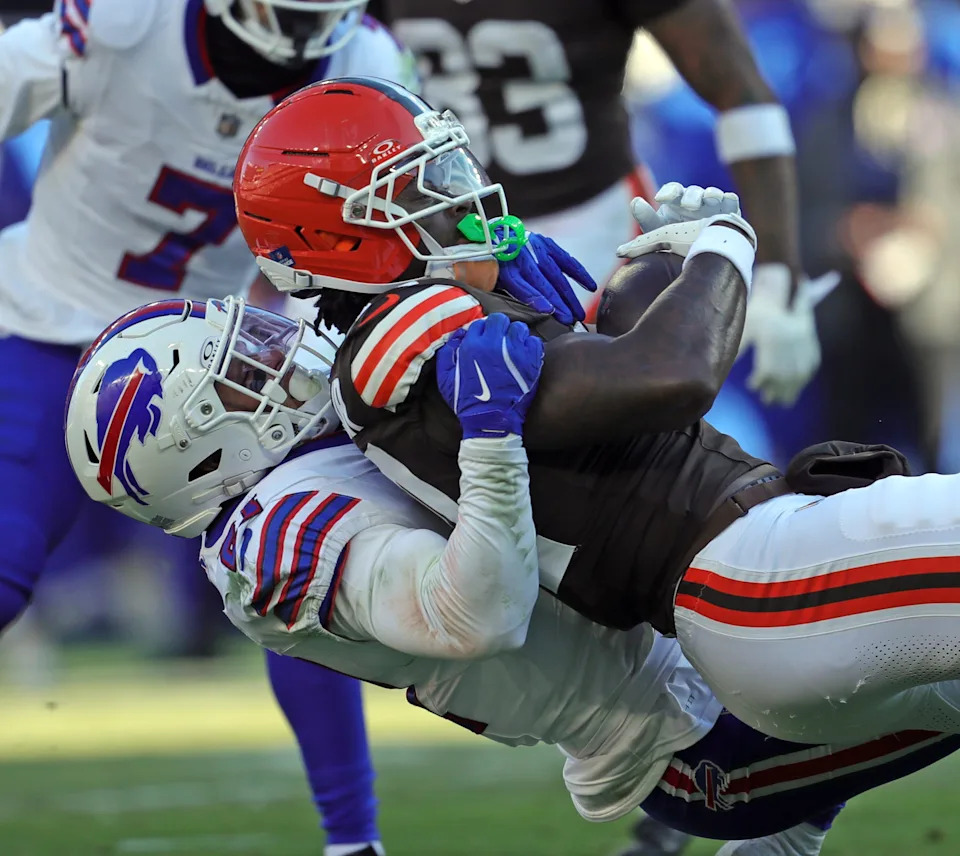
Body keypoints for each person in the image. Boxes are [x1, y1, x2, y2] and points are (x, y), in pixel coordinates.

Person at [63, 292, 960, 856]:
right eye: (236, 381)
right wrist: (489, 432)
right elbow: (481, 613)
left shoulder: (305, 468)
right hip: (699, 744)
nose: (272, 359)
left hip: (700, 688)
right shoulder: (270, 537)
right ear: (194, 451)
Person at [235, 77, 960, 751]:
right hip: (758, 577)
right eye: (419, 187)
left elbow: (616, 385)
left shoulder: (431, 319)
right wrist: (727, 246)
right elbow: (671, 375)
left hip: (752, 591)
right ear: (335, 240)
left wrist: (659, 266)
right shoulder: (396, 335)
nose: (459, 198)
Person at [0, 5, 415, 855]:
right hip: (50, 323)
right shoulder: (126, 21)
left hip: (218, 361)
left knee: (297, 567)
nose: (305, 26)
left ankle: (354, 843)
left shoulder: (364, 57)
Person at [366, 0, 830, 407]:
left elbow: (743, 97)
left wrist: (779, 278)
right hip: (440, 225)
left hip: (591, 222)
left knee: (606, 413)